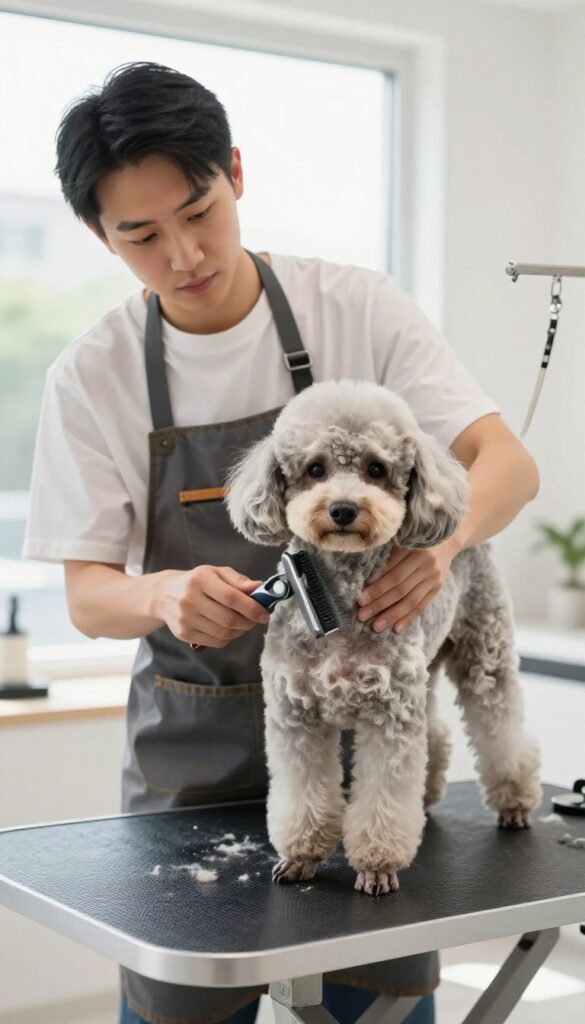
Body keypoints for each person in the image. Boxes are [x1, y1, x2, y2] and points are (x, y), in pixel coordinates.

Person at [23, 61, 539, 1024]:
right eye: (141, 235)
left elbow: (504, 462)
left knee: (378, 1004)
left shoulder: (357, 306)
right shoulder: (90, 376)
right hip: (190, 754)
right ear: (100, 236)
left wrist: (441, 548)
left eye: (198, 209)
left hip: (373, 735)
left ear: (237, 173)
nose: (184, 253)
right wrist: (163, 596)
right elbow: (89, 593)